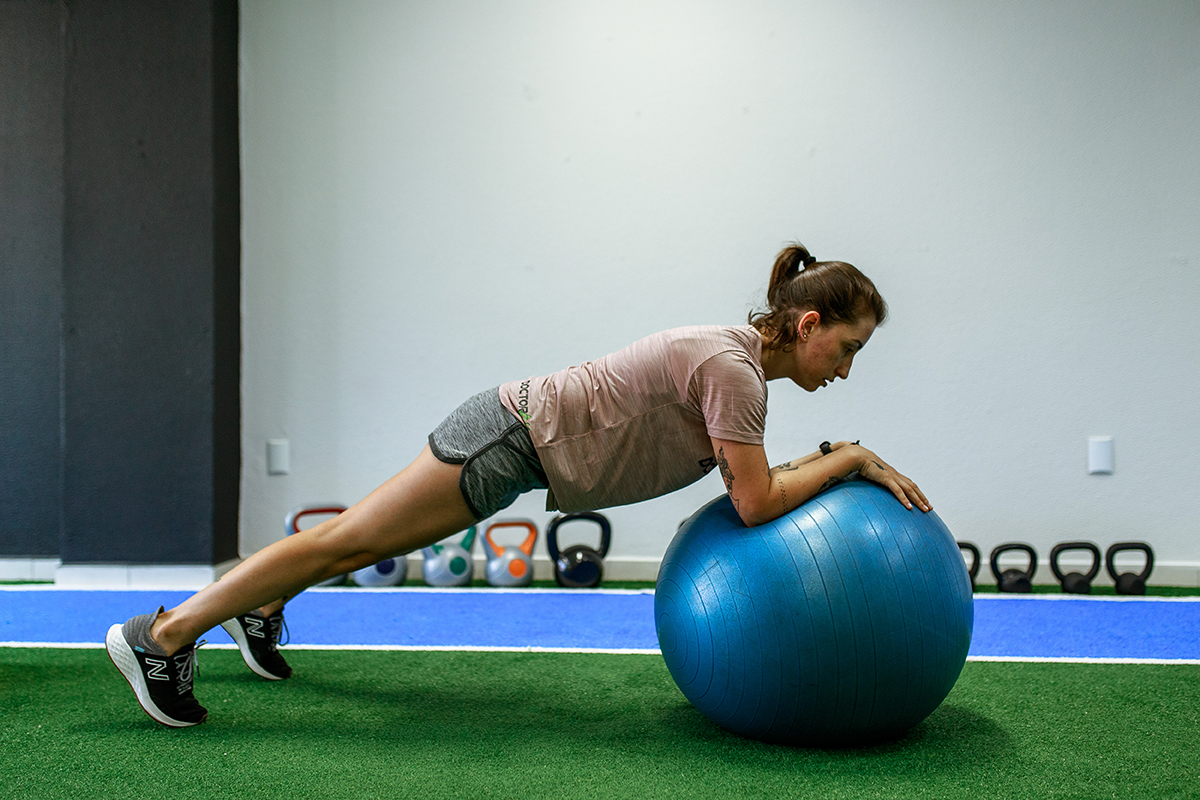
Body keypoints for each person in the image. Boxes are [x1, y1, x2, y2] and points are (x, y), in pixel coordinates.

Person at [106, 242, 931, 727]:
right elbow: (755, 504)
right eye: (848, 349)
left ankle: (258, 606)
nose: (847, 370)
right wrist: (851, 458)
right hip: (506, 441)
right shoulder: (735, 370)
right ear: (809, 325)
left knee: (356, 538)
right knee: (346, 539)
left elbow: (750, 478)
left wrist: (838, 454)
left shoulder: (736, 364)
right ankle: (162, 637)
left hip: (517, 449)